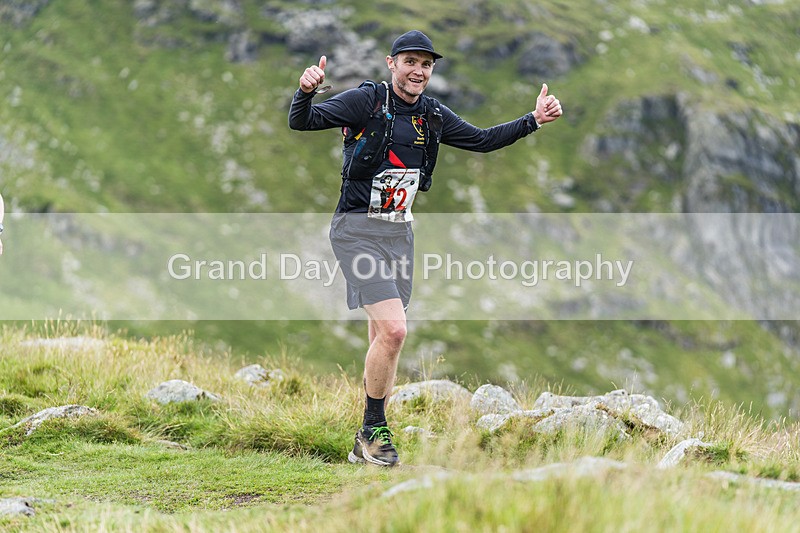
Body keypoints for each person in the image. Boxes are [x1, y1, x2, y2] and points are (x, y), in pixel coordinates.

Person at [289, 30, 563, 467]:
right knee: (396, 331)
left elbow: (483, 140)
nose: (418, 71)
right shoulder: (366, 101)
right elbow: (301, 121)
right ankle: (374, 430)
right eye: (410, 61)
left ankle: (364, 440)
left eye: (426, 64)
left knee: (383, 337)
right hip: (356, 231)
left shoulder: (432, 115)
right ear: (391, 63)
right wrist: (305, 92)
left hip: (399, 235)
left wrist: (533, 120)